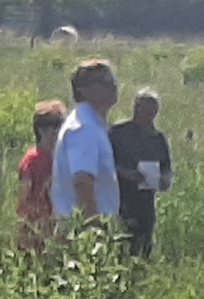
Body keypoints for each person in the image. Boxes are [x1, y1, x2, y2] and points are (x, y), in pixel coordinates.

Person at [51, 58, 122, 236]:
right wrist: (94, 227)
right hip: (82, 231)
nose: (113, 86)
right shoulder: (84, 128)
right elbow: (83, 181)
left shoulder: (92, 124)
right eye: (105, 82)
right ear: (83, 90)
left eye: (113, 81)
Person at [111, 87, 174, 260]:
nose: (145, 114)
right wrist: (125, 173)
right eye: (142, 108)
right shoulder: (118, 133)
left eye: (150, 110)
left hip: (146, 203)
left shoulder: (158, 139)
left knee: (144, 246)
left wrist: (164, 180)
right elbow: (104, 163)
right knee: (121, 246)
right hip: (120, 199)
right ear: (135, 108)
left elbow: (167, 168)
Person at [13, 101, 61, 253]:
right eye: (55, 127)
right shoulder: (33, 160)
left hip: (54, 230)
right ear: (41, 130)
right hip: (36, 232)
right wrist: (23, 232)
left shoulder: (58, 157)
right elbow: (23, 197)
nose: (59, 132)